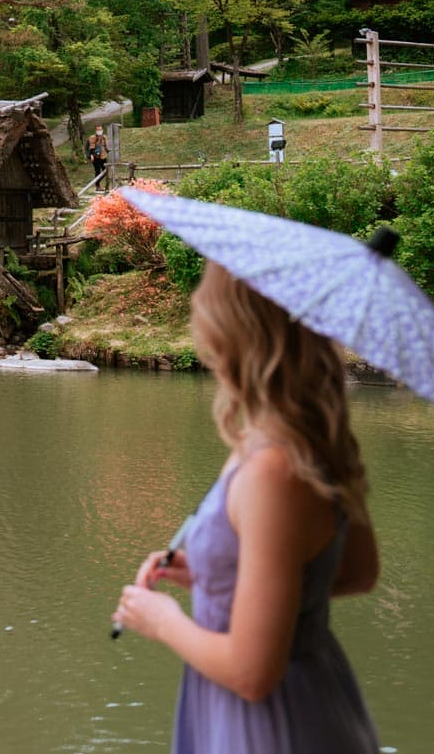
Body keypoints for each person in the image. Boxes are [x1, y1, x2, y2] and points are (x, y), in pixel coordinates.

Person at [113, 262, 381, 753]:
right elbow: (351, 573)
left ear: (235, 329)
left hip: (270, 723)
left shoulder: (271, 469)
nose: (197, 308)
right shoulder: (313, 440)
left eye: (207, 296)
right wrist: (215, 577)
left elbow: (252, 672)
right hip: (317, 699)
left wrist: (162, 621)